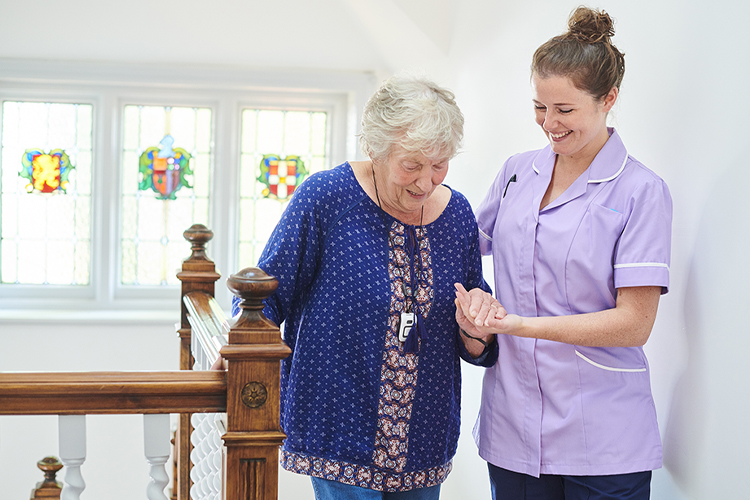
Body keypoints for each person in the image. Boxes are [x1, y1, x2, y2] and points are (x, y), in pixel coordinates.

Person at [233, 74, 498, 500]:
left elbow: (474, 329)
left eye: (439, 164)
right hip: (339, 424)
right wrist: (238, 352)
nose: (426, 182)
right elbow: (267, 295)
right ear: (374, 148)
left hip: (424, 437)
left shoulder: (458, 215)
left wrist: (477, 328)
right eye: (412, 164)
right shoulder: (327, 198)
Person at [454, 7, 672, 500]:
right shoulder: (517, 171)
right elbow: (464, 242)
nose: (549, 124)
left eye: (565, 110)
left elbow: (634, 323)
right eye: (539, 107)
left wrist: (518, 325)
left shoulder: (640, 191)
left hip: (604, 433)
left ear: (608, 98)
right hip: (513, 425)